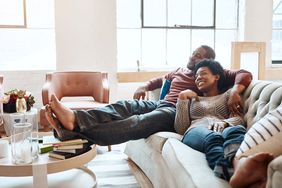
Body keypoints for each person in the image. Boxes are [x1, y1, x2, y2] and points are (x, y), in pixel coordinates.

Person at [44, 45, 252, 146]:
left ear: (206, 62)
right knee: (124, 105)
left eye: (199, 55)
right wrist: (144, 85)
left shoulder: (207, 73)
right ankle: (75, 119)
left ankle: (72, 130)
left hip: (174, 113)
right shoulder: (180, 70)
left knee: (136, 123)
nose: (193, 56)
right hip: (159, 103)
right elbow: (160, 80)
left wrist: (234, 90)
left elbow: (245, 73)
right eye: (193, 52)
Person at [174, 59, 274, 188]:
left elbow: (239, 118)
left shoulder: (228, 95)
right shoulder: (192, 100)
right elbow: (181, 129)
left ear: (216, 77)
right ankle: (231, 173)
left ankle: (239, 166)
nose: (198, 77)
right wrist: (181, 98)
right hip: (196, 131)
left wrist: (225, 123)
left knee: (236, 130)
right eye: (196, 76)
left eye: (203, 73)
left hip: (224, 128)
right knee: (213, 137)